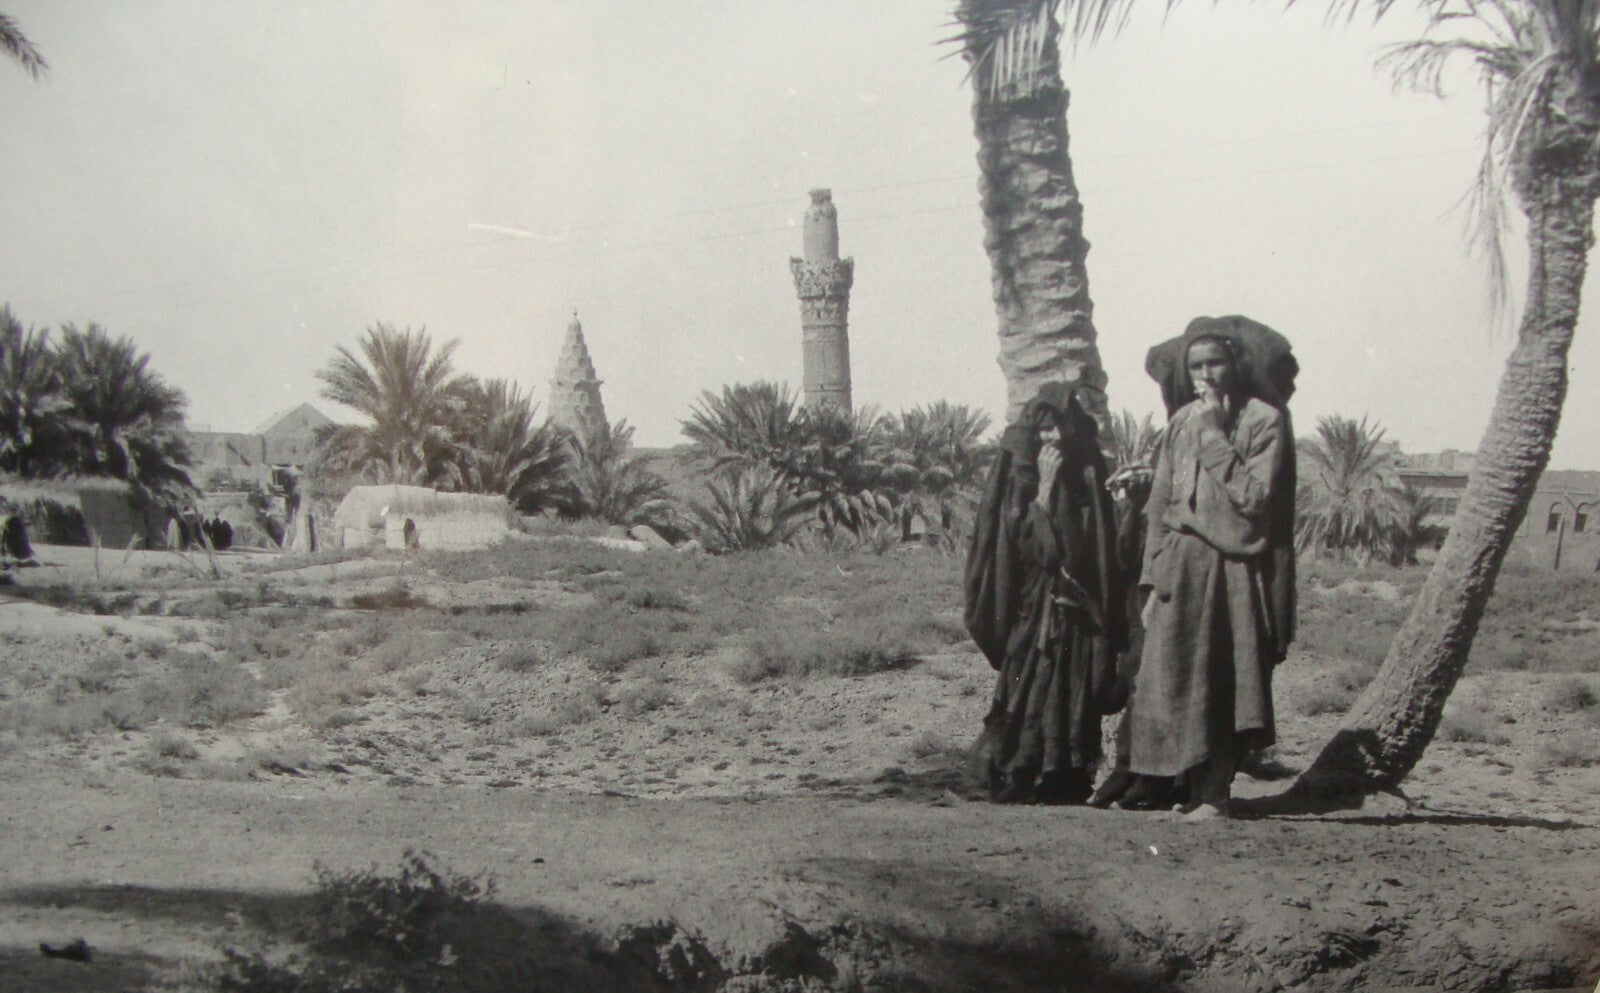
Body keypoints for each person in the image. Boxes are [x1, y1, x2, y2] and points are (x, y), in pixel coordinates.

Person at [1126, 319, 1296, 819]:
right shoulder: (1182, 420)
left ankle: (1216, 794)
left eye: (1215, 363)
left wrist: (1213, 434)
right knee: (1177, 674)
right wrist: (1151, 576)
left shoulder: (1263, 420)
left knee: (1224, 676)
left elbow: (1255, 497)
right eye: (1196, 366)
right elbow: (1161, 502)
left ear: (1234, 365)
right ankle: (1192, 789)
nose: (1206, 375)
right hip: (1180, 564)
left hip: (1232, 567)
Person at [964, 383, 1126, 805]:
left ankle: (1064, 776)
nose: (1052, 438)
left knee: (1071, 688)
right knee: (1027, 684)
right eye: (1044, 429)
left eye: (1059, 427)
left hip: (1077, 608)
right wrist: (1045, 493)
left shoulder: (1087, 474)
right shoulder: (1019, 479)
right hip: (1033, 606)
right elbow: (1030, 549)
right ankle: (1019, 771)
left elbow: (1095, 546)